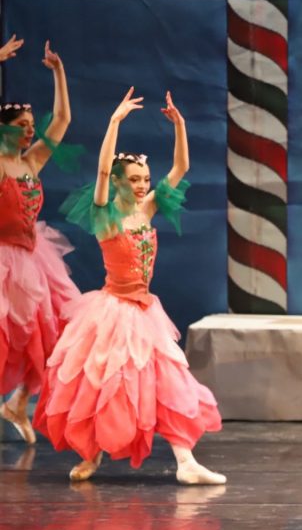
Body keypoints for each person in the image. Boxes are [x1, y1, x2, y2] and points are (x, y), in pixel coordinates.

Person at [33, 88, 224, 485]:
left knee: (169, 380)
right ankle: (91, 454)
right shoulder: (106, 215)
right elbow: (103, 171)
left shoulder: (147, 208)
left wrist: (180, 126)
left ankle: (186, 461)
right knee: (102, 384)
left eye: (145, 179)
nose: (141, 185)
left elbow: (182, 167)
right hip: (112, 311)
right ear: (118, 182)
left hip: (146, 311)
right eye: (134, 179)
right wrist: (114, 122)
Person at [0, 37, 81, 444]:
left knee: (54, 335)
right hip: (3, 261)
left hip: (33, 259)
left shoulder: (32, 161)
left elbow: (62, 120)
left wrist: (59, 72)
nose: (30, 131)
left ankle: (18, 403)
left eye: (31, 125)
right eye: (22, 126)